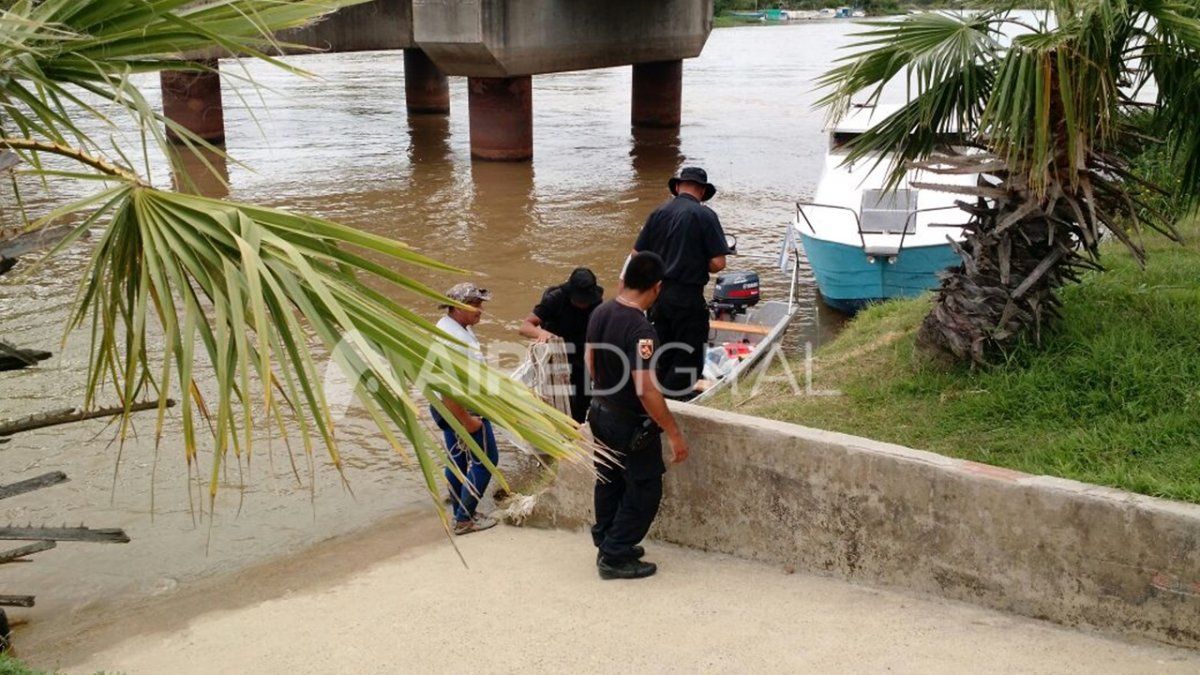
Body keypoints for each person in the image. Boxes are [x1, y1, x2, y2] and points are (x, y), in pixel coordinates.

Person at [586, 251, 690, 580]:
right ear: (657, 287)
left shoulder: (601, 311)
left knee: (609, 479)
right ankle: (615, 555)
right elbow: (646, 390)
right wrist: (673, 432)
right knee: (645, 488)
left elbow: (590, 361)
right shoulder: (641, 329)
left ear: (627, 278)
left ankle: (607, 540)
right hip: (627, 423)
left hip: (599, 411)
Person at [630, 166, 732, 397]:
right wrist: (695, 261)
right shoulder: (705, 216)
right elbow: (718, 263)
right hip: (687, 297)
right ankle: (675, 403)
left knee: (662, 351)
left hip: (656, 296)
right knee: (688, 355)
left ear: (677, 187)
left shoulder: (658, 212)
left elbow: (637, 255)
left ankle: (655, 400)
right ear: (702, 191)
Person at [431, 282, 499, 536]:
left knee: (457, 460)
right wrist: (467, 420)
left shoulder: (453, 327)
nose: (481, 309)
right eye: (475, 304)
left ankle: (459, 510)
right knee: (486, 460)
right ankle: (464, 519)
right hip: (460, 408)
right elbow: (448, 388)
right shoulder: (453, 340)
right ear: (457, 307)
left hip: (447, 408)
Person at [518, 268, 604, 423]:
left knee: (581, 406)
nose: (583, 304)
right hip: (557, 357)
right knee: (556, 405)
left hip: (582, 358)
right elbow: (525, 327)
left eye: (585, 300)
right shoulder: (555, 299)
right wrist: (542, 333)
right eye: (579, 300)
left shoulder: (596, 302)